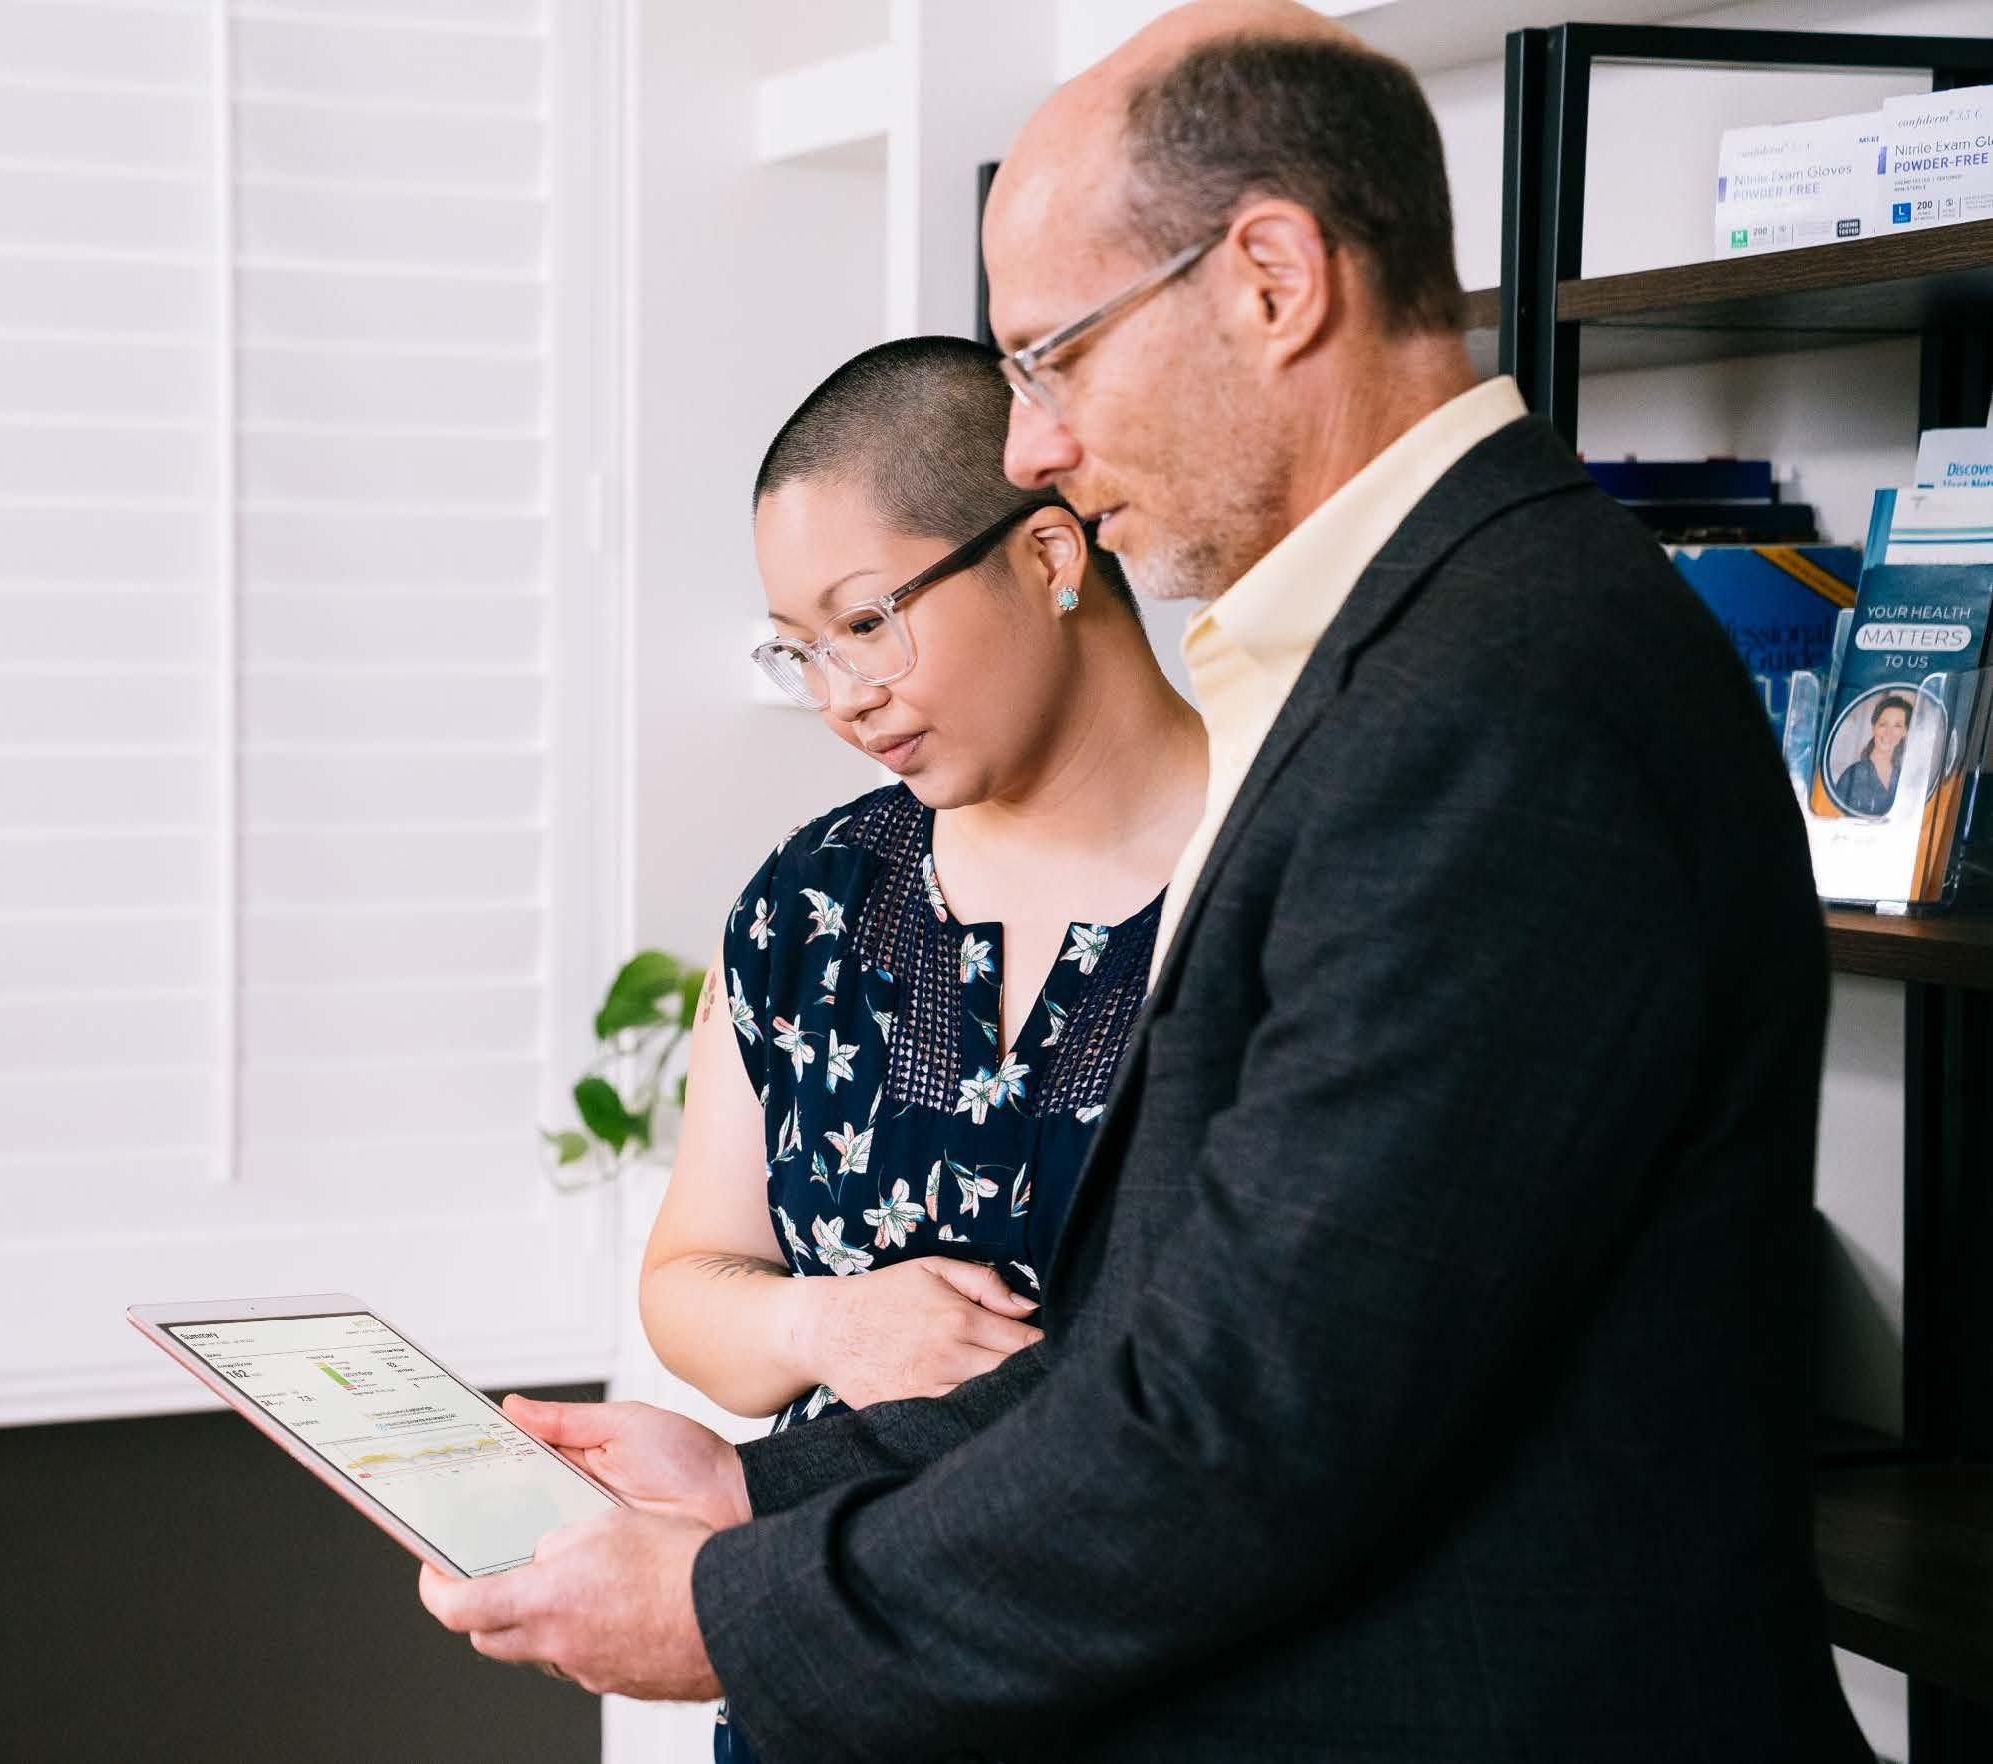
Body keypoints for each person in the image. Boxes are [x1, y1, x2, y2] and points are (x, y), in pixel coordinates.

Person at [422, 5, 1872, 1759]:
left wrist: (717, 1603)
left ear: (1269, 279)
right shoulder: (1399, 660)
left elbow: (1244, 1420)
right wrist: (750, 1481)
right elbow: (1177, 1330)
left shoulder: (1496, 692)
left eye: (1052, 356)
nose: (1029, 442)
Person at [639, 336, 1209, 1761]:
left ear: (1046, 555)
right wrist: (827, 1324)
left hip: (1164, 1691)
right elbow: (687, 1279)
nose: (840, 696)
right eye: (800, 648)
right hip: (828, 1680)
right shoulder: (806, 904)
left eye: (866, 621)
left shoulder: (1272, 882)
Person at [1834, 691, 1910, 817]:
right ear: (1873, 727)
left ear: (1905, 732)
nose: (1888, 733)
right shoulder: (1852, 775)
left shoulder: (1903, 779)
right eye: (1883, 724)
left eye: (1897, 726)